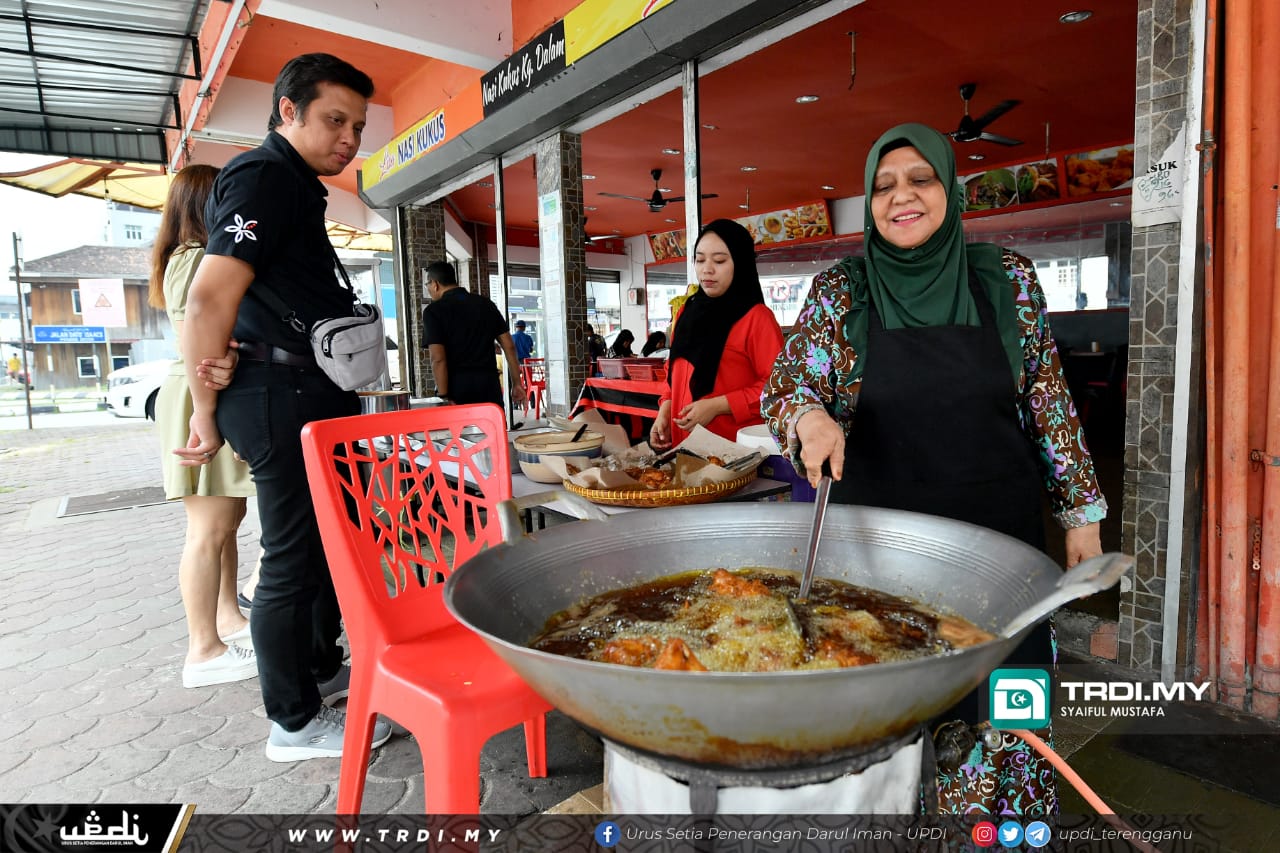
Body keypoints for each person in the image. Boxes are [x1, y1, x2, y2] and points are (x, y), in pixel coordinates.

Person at [762, 122, 1107, 814]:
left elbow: (1047, 401)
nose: (902, 196)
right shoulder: (841, 292)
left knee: (1005, 715)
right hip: (876, 557)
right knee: (888, 716)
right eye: (884, 186)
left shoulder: (1006, 281)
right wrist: (809, 417)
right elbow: (786, 386)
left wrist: (1082, 515)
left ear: (951, 191)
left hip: (999, 551)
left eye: (921, 179)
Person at [174, 53, 392, 762]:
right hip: (280, 393)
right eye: (335, 120)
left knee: (330, 545)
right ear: (288, 111)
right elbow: (207, 299)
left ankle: (319, 670)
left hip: (304, 389)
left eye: (357, 127)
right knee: (293, 559)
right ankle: (293, 722)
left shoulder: (295, 184)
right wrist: (204, 412)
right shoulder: (263, 176)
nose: (348, 139)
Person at [148, 164, 258, 689]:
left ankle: (227, 620)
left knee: (226, 521)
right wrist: (211, 397)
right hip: (198, 396)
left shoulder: (185, 256)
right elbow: (203, 330)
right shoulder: (195, 257)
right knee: (208, 529)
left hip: (202, 391)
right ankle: (203, 650)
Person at [651, 219, 784, 449]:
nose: (707, 269)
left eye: (720, 260)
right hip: (684, 448)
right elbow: (674, 371)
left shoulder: (756, 318)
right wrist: (665, 409)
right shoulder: (686, 311)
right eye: (700, 259)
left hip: (734, 453)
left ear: (740, 263)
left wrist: (718, 406)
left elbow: (778, 387)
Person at [421, 261, 527, 407]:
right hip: (489, 388)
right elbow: (509, 346)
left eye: (427, 284)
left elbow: (438, 358)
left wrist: (444, 396)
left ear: (435, 284)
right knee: (492, 422)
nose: (428, 289)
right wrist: (517, 384)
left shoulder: (433, 311)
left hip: (457, 390)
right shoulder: (486, 304)